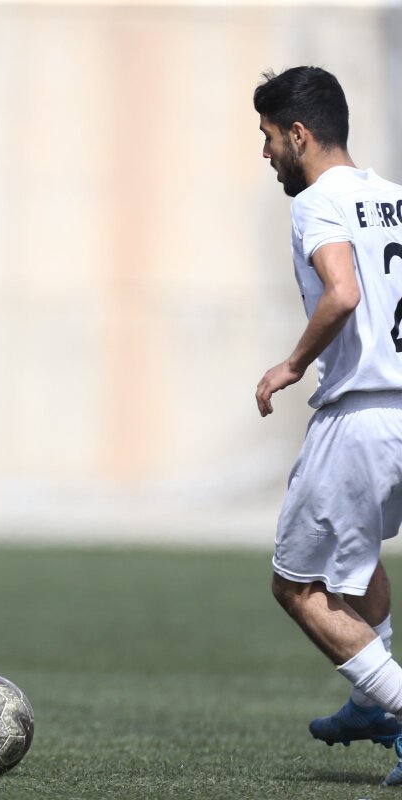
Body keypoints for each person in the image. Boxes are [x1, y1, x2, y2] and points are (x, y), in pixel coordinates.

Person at [254, 66, 402, 784]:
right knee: (358, 552)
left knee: (298, 586)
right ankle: (371, 704)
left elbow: (341, 293)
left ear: (299, 134)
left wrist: (291, 364)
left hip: (362, 414)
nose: (265, 153)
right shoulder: (395, 198)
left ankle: (393, 703)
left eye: (268, 137)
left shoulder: (319, 201)